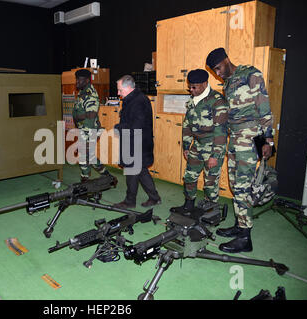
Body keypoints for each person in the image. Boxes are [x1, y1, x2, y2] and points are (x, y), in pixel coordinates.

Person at [206, 48, 274, 253]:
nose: (218, 73)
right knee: (236, 186)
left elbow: (264, 107)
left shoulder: (250, 74)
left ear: (227, 60)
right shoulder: (227, 83)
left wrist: (268, 140)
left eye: (219, 68)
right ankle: (239, 225)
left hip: (250, 137)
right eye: (214, 71)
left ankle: (245, 238)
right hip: (235, 139)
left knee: (244, 188)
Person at [170, 69, 228, 214]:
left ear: (204, 84)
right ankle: (188, 205)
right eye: (189, 86)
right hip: (197, 146)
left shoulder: (218, 101)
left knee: (210, 182)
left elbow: (221, 131)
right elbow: (187, 125)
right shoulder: (192, 101)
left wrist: (215, 155)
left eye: (194, 87)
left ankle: (211, 210)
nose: (191, 90)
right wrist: (186, 145)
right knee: (189, 176)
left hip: (213, 147)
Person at [113, 75, 161, 209]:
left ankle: (130, 201)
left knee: (132, 171)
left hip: (137, 143)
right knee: (140, 171)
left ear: (128, 88)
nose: (118, 93)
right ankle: (154, 198)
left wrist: (118, 127)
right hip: (136, 142)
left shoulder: (138, 101)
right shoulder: (132, 99)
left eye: (120, 90)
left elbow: (136, 126)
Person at [72, 69, 111, 182]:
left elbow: (91, 116)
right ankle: (104, 174)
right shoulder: (82, 92)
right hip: (83, 129)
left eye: (79, 79)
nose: (77, 82)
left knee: (85, 155)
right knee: (89, 156)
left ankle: (85, 179)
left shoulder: (90, 94)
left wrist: (87, 139)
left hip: (90, 129)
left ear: (87, 80)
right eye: (76, 79)